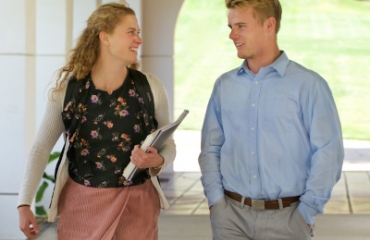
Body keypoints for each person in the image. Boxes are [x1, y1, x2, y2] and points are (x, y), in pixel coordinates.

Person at [17, 2, 175, 240]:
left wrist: (158, 160)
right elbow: (41, 148)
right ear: (105, 37)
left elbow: (169, 144)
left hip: (138, 205)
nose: (139, 40)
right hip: (82, 206)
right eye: (131, 32)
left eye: (138, 32)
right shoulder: (68, 92)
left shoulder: (150, 87)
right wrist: (24, 203)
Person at [198, 0, 344, 239]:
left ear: (269, 24)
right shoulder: (225, 85)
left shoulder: (309, 85)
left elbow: (329, 153)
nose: (232, 34)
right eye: (231, 26)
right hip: (231, 218)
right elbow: (211, 147)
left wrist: (306, 212)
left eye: (241, 26)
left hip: (288, 219)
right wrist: (216, 202)